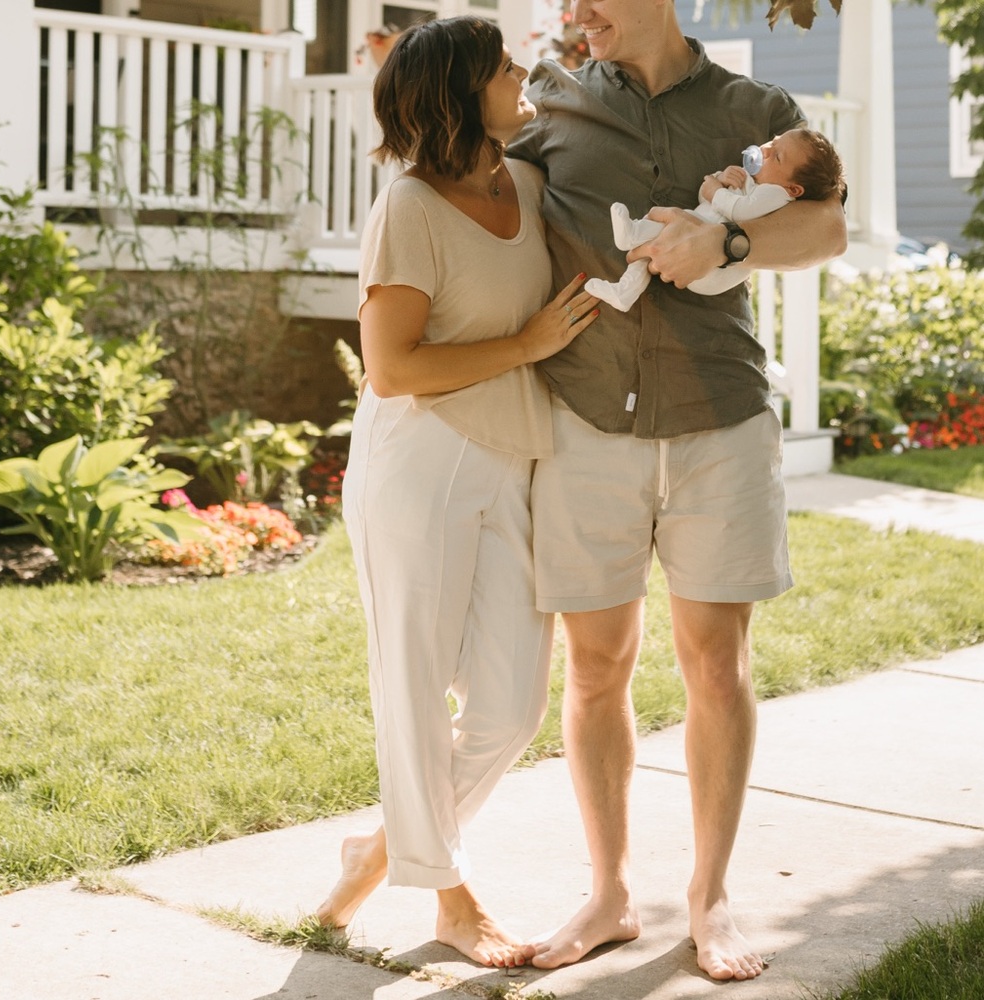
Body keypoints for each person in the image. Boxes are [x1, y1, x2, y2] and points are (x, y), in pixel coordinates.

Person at [507, 0, 848, 982]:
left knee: (714, 661)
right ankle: (610, 892)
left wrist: (727, 247)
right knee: (597, 663)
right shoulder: (551, 100)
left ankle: (709, 897)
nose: (572, 14)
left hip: (719, 416)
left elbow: (823, 229)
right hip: (583, 419)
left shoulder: (755, 104)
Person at [316, 15, 599, 969]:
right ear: (458, 93)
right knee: (413, 686)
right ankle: (450, 898)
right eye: (504, 68)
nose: (522, 76)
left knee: (513, 705)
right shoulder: (408, 207)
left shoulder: (521, 180)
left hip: (510, 459)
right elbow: (390, 368)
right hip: (419, 462)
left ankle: (381, 851)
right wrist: (527, 346)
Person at [587, 127, 847, 308]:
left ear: (794, 189)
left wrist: (715, 193)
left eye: (776, 155)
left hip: (714, 270)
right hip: (696, 237)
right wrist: (718, 181)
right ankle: (625, 290)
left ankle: (632, 234)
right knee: (652, 249)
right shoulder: (755, 180)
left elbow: (739, 211)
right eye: (772, 142)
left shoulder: (776, 194)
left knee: (663, 230)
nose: (765, 150)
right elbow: (706, 199)